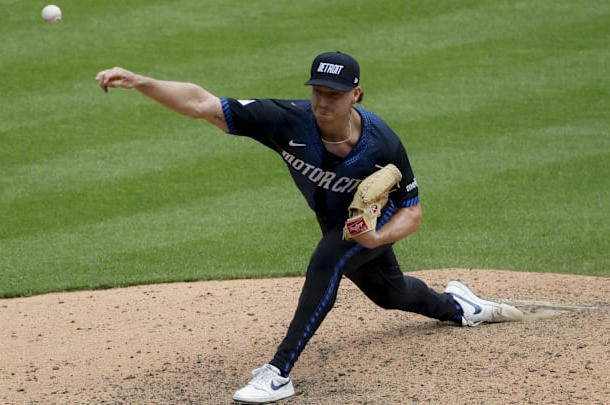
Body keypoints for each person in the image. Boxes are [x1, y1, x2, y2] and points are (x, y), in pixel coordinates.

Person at [95, 51, 523, 404]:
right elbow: (201, 104)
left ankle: (279, 372)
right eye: (318, 91)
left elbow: (412, 210)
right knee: (390, 295)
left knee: (327, 259)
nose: (323, 101)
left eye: (334, 94)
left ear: (356, 94)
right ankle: (460, 306)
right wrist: (141, 81)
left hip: (375, 223)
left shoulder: (383, 143)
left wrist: (376, 236)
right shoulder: (286, 120)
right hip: (342, 224)